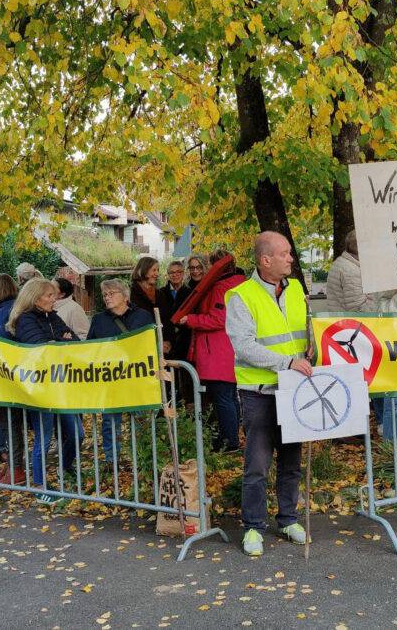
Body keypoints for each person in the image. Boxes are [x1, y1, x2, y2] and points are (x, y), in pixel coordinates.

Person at [225, 231, 311, 556]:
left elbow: (306, 329)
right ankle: (253, 527)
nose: (291, 258)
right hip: (259, 393)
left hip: (294, 390)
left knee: (291, 461)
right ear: (265, 260)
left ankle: (288, 519)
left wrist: (312, 352)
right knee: (257, 465)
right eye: (285, 253)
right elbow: (245, 348)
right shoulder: (240, 296)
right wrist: (288, 362)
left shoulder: (297, 288)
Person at [7, 279, 83, 503]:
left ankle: (63, 468)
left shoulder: (53, 316)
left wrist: (58, 340)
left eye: (54, 295)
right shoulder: (25, 320)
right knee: (44, 438)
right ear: (35, 297)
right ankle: (40, 486)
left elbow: (75, 341)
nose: (54, 299)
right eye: (49, 295)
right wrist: (61, 340)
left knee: (77, 433)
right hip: (39, 389)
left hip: (60, 386)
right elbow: (41, 348)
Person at [179, 251, 247, 452]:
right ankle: (231, 439)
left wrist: (191, 320)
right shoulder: (239, 282)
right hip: (228, 348)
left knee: (223, 397)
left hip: (217, 351)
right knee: (230, 397)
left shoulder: (220, 287)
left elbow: (218, 318)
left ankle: (229, 442)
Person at [89, 279, 152, 466]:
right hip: (111, 381)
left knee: (141, 420)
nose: (107, 298)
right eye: (105, 295)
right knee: (109, 423)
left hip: (137, 379)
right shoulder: (99, 320)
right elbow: (90, 348)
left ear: (125, 296)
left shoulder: (143, 316)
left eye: (111, 293)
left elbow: (152, 345)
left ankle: (143, 458)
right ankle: (112, 460)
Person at [0, 273, 25, 483]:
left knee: (9, 424)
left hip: (6, 381)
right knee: (13, 424)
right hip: (17, 379)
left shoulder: (2, 315)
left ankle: (16, 469)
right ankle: (12, 466)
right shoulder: (13, 309)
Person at [325, 230, 375, 312]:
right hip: (350, 323)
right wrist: (377, 293)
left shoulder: (343, 263)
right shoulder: (351, 271)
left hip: (340, 321)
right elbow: (359, 310)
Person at [157, 260, 190, 360]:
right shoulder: (160, 293)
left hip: (185, 340)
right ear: (168, 275)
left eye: (178, 272)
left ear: (183, 273)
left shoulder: (190, 293)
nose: (175, 275)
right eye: (172, 272)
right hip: (166, 340)